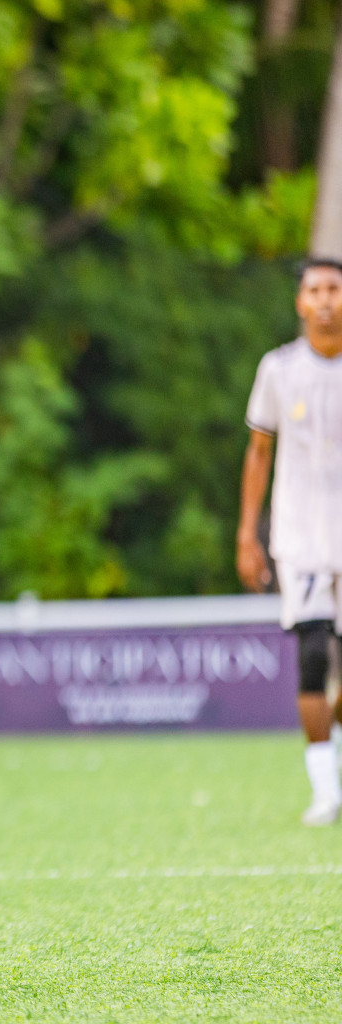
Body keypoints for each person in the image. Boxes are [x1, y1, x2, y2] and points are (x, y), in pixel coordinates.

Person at [238, 257, 342, 826]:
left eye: (334, 289)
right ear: (301, 302)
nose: (325, 300)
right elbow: (259, 451)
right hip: (299, 533)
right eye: (315, 290)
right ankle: (324, 786)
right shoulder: (277, 370)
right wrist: (246, 532)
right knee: (312, 649)